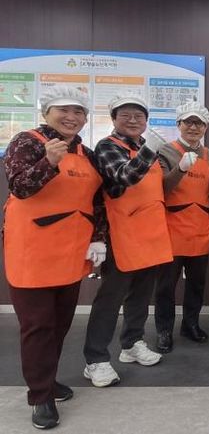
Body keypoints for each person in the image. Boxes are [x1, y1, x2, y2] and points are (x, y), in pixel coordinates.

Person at [3, 86, 105, 429]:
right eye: (64, 110)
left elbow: (97, 201)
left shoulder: (87, 153)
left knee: (60, 325)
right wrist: (48, 162)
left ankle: (47, 380)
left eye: (79, 112)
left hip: (71, 252)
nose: (71, 117)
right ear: (46, 112)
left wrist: (99, 237)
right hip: (32, 252)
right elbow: (19, 187)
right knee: (38, 327)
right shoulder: (27, 142)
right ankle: (40, 396)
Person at [82, 95, 173, 387]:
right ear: (114, 119)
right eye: (126, 115)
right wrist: (150, 150)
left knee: (141, 295)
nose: (133, 120)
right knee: (110, 299)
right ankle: (95, 359)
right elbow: (125, 177)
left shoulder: (144, 147)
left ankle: (132, 344)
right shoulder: (107, 147)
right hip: (121, 234)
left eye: (139, 116)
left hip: (150, 233)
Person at [154, 102, 209, 353]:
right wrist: (180, 169)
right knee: (166, 285)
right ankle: (164, 330)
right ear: (178, 124)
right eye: (188, 122)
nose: (193, 127)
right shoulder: (165, 151)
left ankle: (191, 324)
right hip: (173, 228)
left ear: (205, 127)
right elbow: (162, 188)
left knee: (197, 284)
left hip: (200, 228)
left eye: (199, 123)